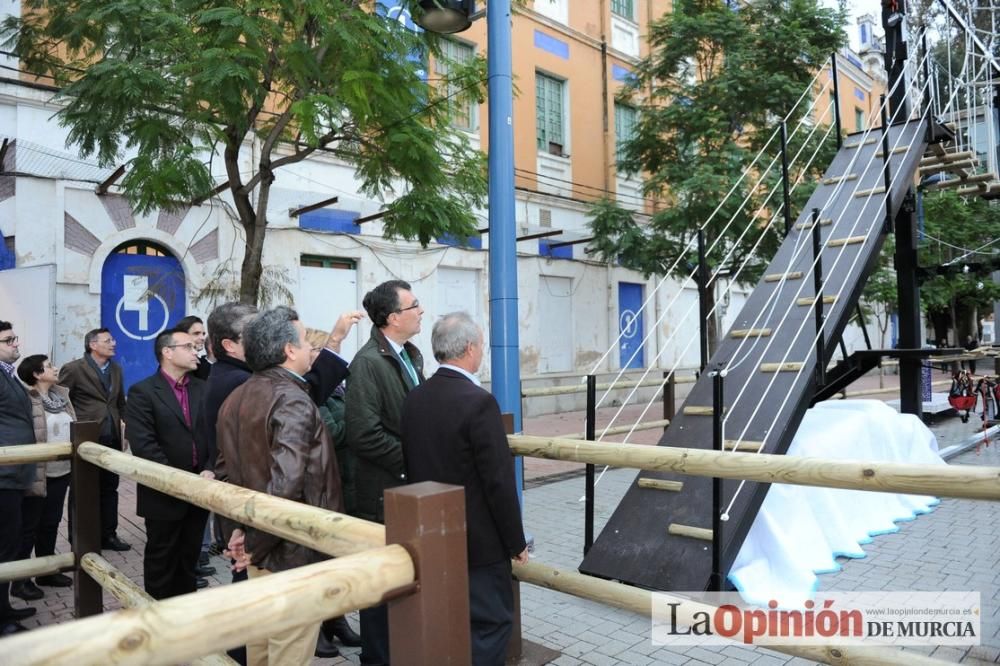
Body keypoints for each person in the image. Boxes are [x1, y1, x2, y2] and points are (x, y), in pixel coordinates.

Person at [197, 302, 363, 661]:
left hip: (257, 543)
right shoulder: (292, 400)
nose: (308, 348)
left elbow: (225, 477)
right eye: (304, 341)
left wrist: (237, 535)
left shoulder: (237, 397)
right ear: (289, 350)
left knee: (261, 649)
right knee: (289, 650)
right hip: (290, 549)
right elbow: (286, 483)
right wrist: (252, 543)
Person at [401, 312, 528, 665]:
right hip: (479, 544)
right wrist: (515, 542)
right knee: (491, 625)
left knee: (448, 624)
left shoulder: (415, 398)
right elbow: (498, 481)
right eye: (482, 346)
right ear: (471, 348)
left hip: (432, 536)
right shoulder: (478, 402)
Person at [345, 279, 425, 666]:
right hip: (381, 495)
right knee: (378, 592)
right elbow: (364, 435)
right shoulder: (367, 363)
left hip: (407, 490)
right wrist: (413, 460)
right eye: (414, 306)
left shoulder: (411, 354)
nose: (421, 311)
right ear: (393, 318)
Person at [125, 328, 210, 600]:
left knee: (190, 558)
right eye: (188, 346)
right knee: (161, 558)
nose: (195, 350)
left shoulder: (202, 388)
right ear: (168, 352)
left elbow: (213, 434)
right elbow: (144, 446)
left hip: (200, 489)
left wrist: (210, 468)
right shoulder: (143, 392)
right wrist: (179, 481)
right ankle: (157, 620)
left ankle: (184, 618)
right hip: (163, 492)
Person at [59, 327, 130, 551]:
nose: (114, 343)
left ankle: (108, 534)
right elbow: (62, 402)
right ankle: (79, 539)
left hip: (112, 438)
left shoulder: (116, 369)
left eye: (113, 340)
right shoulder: (73, 369)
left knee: (110, 489)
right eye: (108, 340)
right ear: (93, 345)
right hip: (86, 439)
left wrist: (124, 431)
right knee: (83, 491)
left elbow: (120, 404)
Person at [12, 356, 76, 602]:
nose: (55, 368)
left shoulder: (62, 396)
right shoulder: (26, 399)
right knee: (28, 528)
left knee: (50, 523)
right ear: (37, 374)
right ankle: (21, 580)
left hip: (61, 471)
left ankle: (46, 572)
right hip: (37, 473)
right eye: (49, 366)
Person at [0, 322, 37, 635]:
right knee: (3, 546)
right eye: (8, 340)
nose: (15, 343)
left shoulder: (7, 374)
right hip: (3, 475)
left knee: (10, 545)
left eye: (14, 337)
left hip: (15, 473)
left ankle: (4, 607)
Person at [176, 315, 212, 381]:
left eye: (203, 334)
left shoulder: (202, 364)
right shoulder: (174, 363)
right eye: (196, 333)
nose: (202, 338)